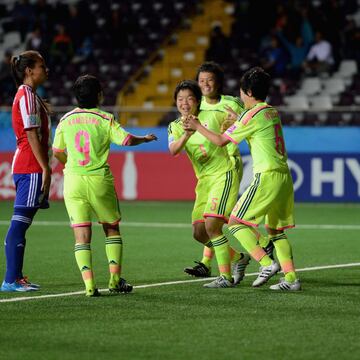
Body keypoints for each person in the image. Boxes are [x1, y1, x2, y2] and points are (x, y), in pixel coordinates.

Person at [184, 67, 301, 291]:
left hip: (266, 175)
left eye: (241, 91)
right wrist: (235, 122)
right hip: (284, 176)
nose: (239, 95)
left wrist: (198, 126)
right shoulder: (271, 111)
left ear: (247, 91)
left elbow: (219, 141)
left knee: (236, 222)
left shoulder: (250, 115)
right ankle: (291, 278)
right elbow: (253, 133)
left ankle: (266, 264)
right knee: (276, 231)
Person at [52, 75, 157, 297]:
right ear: (99, 94)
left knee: (81, 235)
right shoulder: (105, 118)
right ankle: (114, 280)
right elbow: (126, 141)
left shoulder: (65, 120)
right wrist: (144, 139)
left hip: (73, 181)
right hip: (99, 180)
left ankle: (89, 286)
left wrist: (70, 165)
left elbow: (57, 152)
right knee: (111, 228)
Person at [168, 80, 250, 288]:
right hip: (204, 181)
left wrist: (234, 120)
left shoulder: (212, 115)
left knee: (212, 225)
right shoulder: (175, 126)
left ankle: (226, 277)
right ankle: (239, 258)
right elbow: (173, 150)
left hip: (224, 174)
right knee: (199, 232)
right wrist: (187, 133)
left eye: (189, 98)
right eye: (180, 99)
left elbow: (239, 124)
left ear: (197, 101)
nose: (184, 103)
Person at [1, 50, 51, 292]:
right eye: (42, 65)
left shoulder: (29, 95)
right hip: (30, 165)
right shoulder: (27, 95)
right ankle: (10, 280)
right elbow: (31, 134)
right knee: (19, 224)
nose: (46, 69)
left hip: (27, 164)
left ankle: (16, 277)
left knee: (22, 222)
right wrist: (44, 167)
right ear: (30, 71)